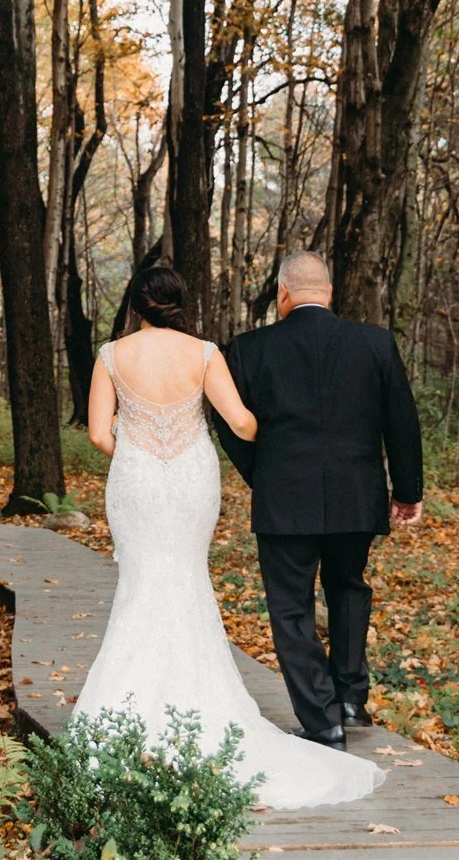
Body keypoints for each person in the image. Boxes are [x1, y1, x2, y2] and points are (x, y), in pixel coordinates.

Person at [73, 262, 386, 811]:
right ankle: (204, 706)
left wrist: (141, 453)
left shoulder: (111, 355)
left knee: (142, 581)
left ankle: (124, 710)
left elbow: (100, 433)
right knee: (188, 578)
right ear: (179, 302)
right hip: (194, 479)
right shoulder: (205, 353)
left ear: (136, 305)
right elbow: (242, 424)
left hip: (138, 481)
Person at [217, 250, 423, 749]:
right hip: (357, 496)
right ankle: (351, 699)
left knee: (291, 609)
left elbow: (230, 425)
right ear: (329, 293)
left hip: (284, 499)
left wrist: (263, 475)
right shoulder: (374, 343)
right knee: (348, 588)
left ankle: (322, 719)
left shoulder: (247, 349)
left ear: (283, 293)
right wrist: (407, 492)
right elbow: (402, 420)